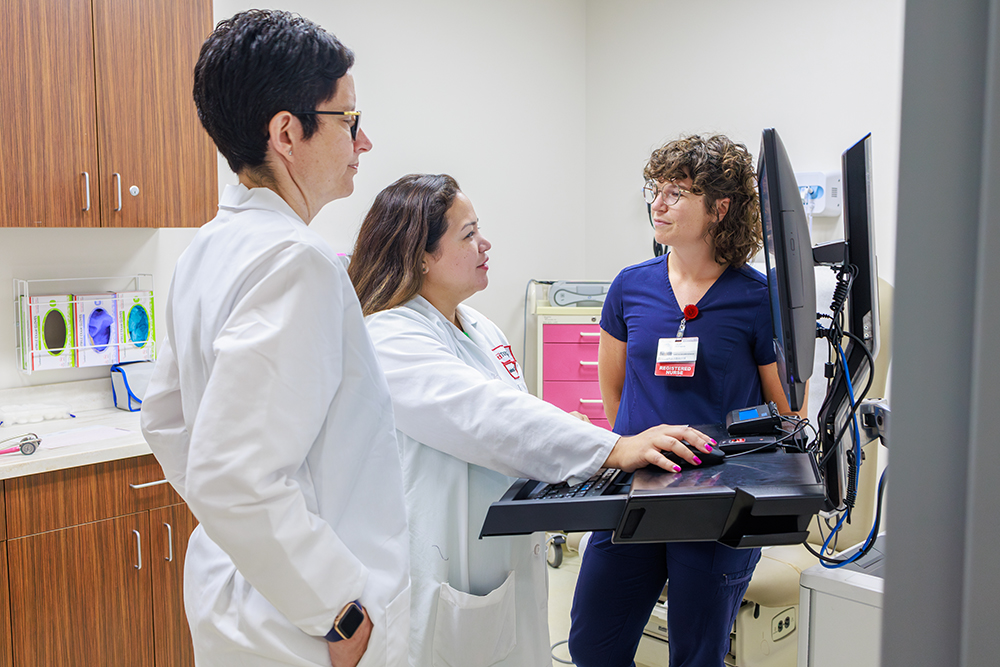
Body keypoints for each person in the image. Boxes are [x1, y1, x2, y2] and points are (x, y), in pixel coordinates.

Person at [347, 173, 715, 667]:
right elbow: (484, 416)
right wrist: (612, 447)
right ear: (420, 255)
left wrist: (573, 441)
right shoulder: (389, 336)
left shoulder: (479, 327)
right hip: (440, 567)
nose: (486, 243)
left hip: (499, 560)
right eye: (468, 233)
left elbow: (515, 416)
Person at [140, 10, 409, 667]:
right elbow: (230, 473)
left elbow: (167, 423)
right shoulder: (298, 262)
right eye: (349, 120)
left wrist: (245, 539)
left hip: (243, 600)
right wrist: (338, 610)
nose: (364, 141)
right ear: (288, 132)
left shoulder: (209, 248)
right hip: (301, 627)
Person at [568, 134, 794, 667]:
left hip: (717, 502)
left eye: (677, 193)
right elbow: (615, 391)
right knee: (592, 644)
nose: (658, 203)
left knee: (697, 655)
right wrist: (635, 446)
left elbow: (784, 412)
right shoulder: (630, 286)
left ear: (720, 208)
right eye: (656, 190)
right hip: (635, 490)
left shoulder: (757, 298)